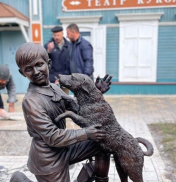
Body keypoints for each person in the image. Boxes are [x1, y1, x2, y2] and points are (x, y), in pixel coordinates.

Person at [14, 42, 111, 182]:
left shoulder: (54, 88)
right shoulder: (31, 101)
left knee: (103, 142)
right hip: (48, 159)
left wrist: (95, 94)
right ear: (22, 73)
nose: (36, 72)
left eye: (39, 64)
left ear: (48, 63)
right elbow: (52, 136)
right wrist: (85, 133)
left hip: (64, 147)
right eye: (28, 69)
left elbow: (77, 107)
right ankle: (19, 180)